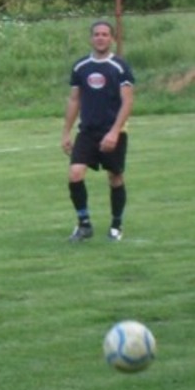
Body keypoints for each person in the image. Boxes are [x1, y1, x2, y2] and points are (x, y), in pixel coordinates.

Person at [61, 20, 135, 242]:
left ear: (112, 38)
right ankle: (84, 224)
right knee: (75, 174)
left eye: (104, 34)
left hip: (113, 131)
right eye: (96, 34)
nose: (100, 38)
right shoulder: (80, 66)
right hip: (87, 131)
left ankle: (116, 225)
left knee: (115, 177)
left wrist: (114, 132)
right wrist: (66, 132)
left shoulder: (120, 67)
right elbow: (74, 100)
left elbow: (127, 102)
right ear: (91, 38)